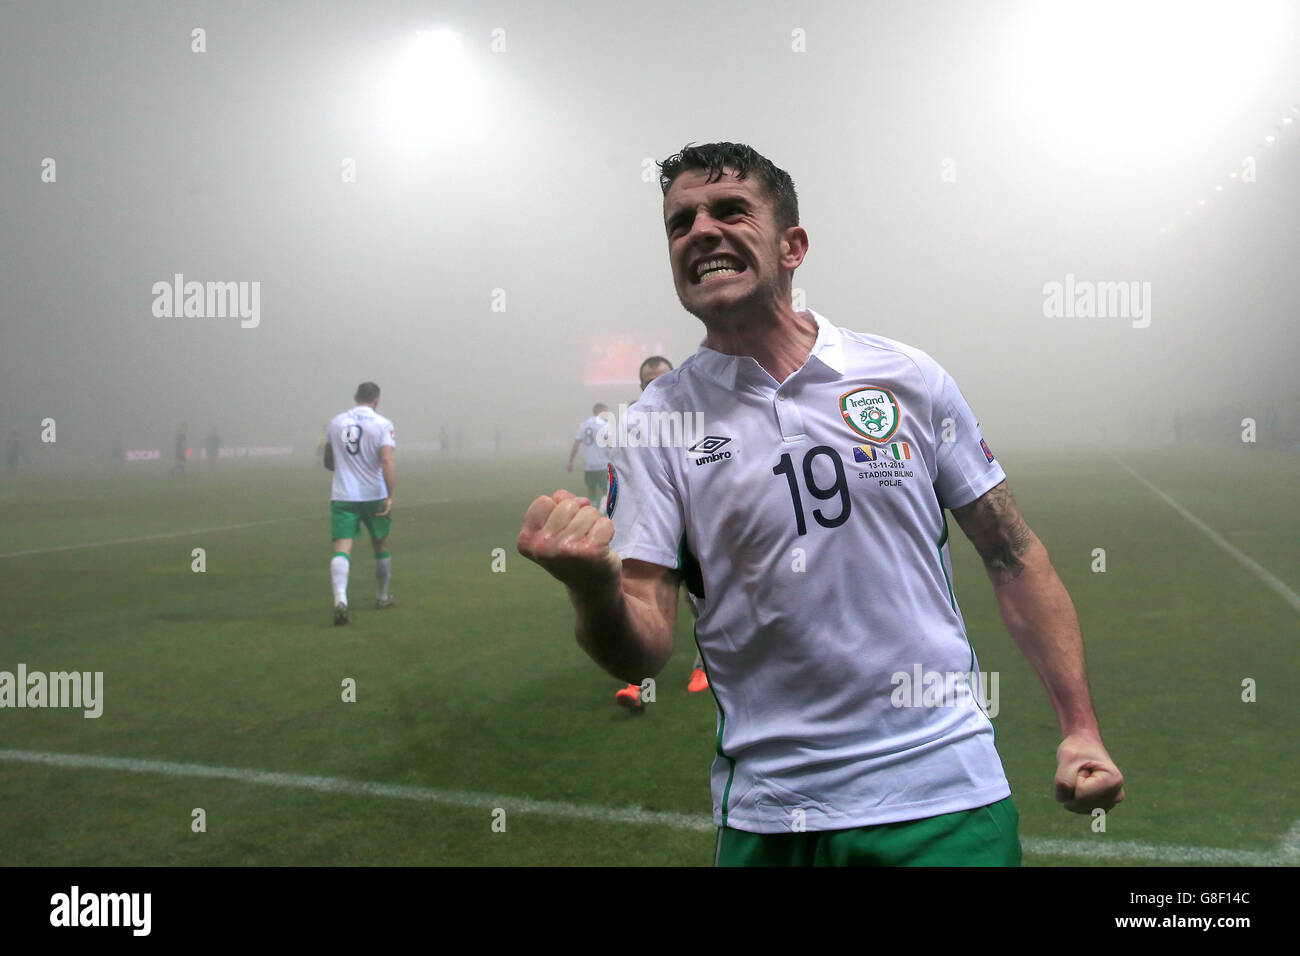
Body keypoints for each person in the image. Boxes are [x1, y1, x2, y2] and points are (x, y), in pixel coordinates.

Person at [518, 142, 1124, 866]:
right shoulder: (656, 422)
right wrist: (592, 590)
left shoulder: (906, 378)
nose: (702, 231)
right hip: (773, 817)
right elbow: (641, 652)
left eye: (731, 211)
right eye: (680, 224)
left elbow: (1013, 553)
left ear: (793, 245)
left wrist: (1079, 727)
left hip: (943, 797)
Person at [613, 355, 709, 710]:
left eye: (663, 378)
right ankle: (635, 682)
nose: (656, 385)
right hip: (654, 536)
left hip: (695, 536)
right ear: (641, 387)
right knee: (640, 601)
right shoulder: (634, 424)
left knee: (701, 605)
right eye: (649, 381)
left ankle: (703, 668)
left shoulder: (698, 418)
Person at [324, 382, 396, 625]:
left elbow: (328, 460)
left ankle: (340, 599)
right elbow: (386, 461)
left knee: (342, 549)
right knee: (380, 545)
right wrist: (390, 495)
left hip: (343, 495)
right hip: (373, 494)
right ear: (377, 399)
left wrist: (346, 469)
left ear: (355, 397)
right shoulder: (382, 424)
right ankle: (383, 595)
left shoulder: (336, 422)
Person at [567, 403, 612, 509]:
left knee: (591, 491)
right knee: (607, 490)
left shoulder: (584, 425)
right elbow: (610, 443)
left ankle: (592, 511)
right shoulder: (605, 425)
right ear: (599, 411)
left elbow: (576, 444)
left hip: (589, 465)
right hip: (603, 464)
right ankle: (602, 512)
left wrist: (570, 460)